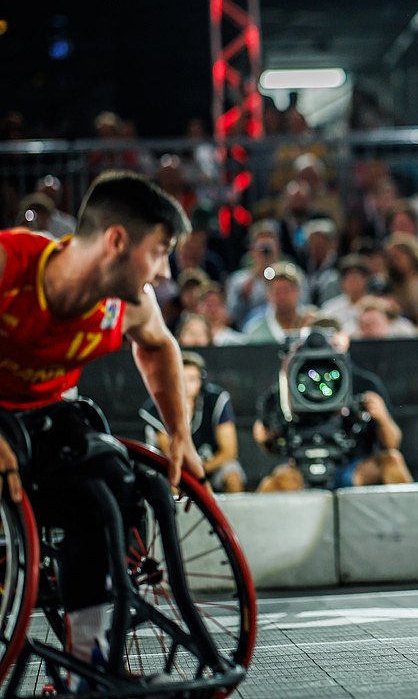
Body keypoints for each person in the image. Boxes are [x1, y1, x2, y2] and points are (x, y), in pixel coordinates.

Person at [0, 171, 202, 674]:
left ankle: (83, 661)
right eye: (159, 251)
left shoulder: (128, 305)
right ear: (116, 241)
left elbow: (159, 348)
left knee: (108, 484)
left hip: (40, 416)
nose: (164, 272)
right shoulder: (9, 264)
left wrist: (180, 434)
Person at [253, 317, 412, 491]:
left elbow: (392, 442)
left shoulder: (365, 384)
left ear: (344, 342)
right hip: (300, 469)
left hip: (352, 467)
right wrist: (265, 437)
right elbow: (271, 445)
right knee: (274, 484)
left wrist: (382, 417)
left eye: (332, 346)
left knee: (392, 461)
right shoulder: (285, 390)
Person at [140, 351, 246, 493]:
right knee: (171, 483)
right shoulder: (158, 404)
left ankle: (233, 515)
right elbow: (171, 454)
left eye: (191, 379)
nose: (186, 386)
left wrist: (200, 470)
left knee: (232, 476)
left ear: (200, 380)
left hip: (210, 464)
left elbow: (229, 451)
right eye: (180, 379)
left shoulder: (215, 400)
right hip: (172, 467)